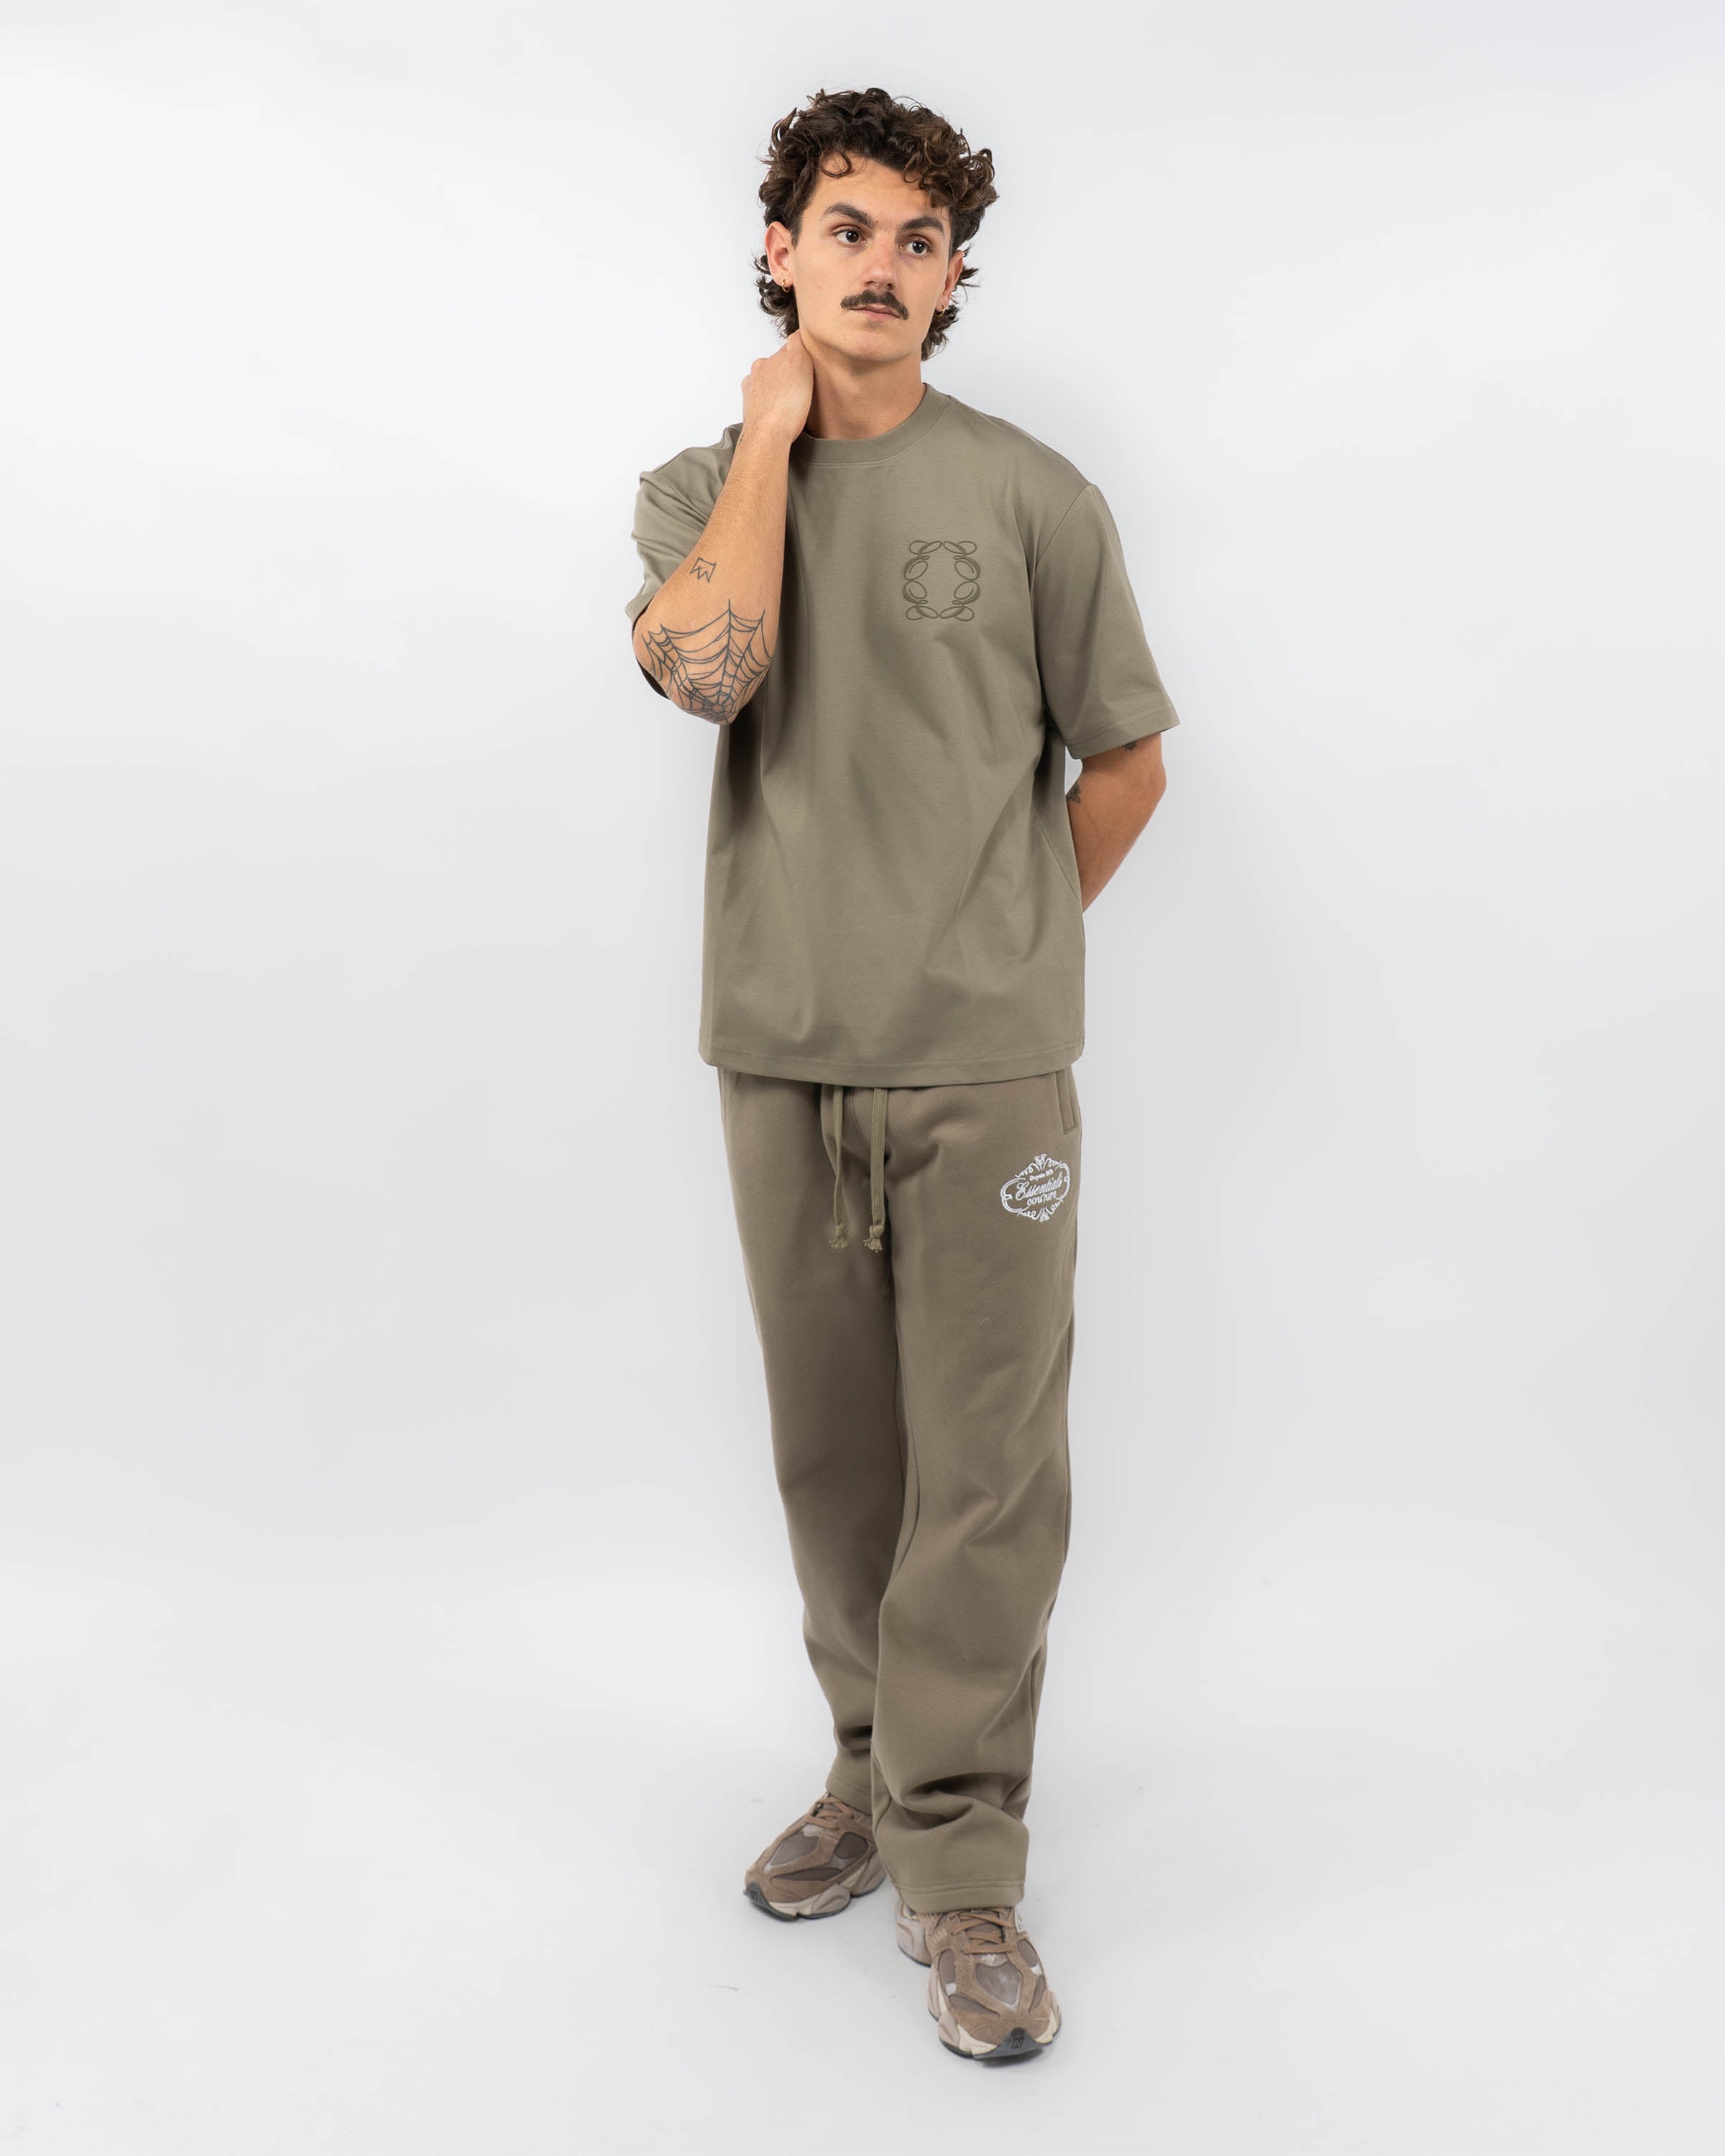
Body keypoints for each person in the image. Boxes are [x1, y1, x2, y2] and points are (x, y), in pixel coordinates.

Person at [622, 85, 1180, 2064]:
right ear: (781, 250)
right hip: (782, 1055)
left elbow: (1127, 763)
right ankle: (869, 1772)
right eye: (847, 229)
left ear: (953, 279)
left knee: (990, 1475)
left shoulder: (1035, 496)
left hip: (988, 1075)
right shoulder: (701, 489)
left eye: (920, 240)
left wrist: (1000, 948)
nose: (882, 266)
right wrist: (777, 437)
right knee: (838, 1463)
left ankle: (963, 1865)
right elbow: (709, 672)